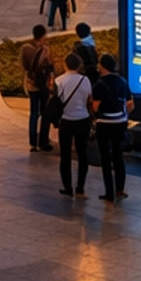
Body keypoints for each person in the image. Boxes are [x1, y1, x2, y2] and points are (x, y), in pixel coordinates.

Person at [90, 52, 131, 202]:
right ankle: (120, 189)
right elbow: (130, 103)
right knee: (118, 156)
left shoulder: (99, 84)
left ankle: (109, 193)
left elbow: (95, 107)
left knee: (106, 159)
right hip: (120, 122)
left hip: (104, 124)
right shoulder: (122, 81)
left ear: (102, 66)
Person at [54, 47, 93, 197]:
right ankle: (80, 188)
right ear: (79, 65)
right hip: (83, 119)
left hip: (66, 120)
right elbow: (89, 100)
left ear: (65, 64)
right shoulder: (85, 80)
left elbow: (57, 101)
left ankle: (67, 187)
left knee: (65, 156)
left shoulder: (60, 81)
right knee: (82, 154)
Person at [21, 24, 56, 154]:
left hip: (31, 85)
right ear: (42, 36)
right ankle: (43, 141)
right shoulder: (45, 50)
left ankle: (32, 143)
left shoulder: (25, 49)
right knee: (45, 113)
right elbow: (50, 67)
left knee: (34, 114)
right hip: (43, 86)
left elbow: (24, 66)